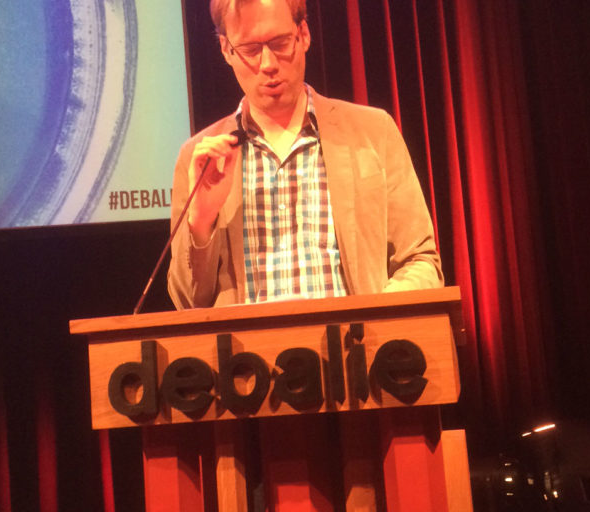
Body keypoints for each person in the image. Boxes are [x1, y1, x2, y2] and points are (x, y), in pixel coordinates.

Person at [168, 0, 442, 309]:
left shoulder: (373, 133)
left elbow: (420, 261)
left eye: (280, 43)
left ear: (304, 34)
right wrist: (201, 221)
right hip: (246, 343)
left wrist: (380, 317)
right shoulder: (199, 158)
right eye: (250, 50)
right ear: (226, 49)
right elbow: (186, 302)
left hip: (357, 339)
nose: (268, 64)